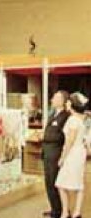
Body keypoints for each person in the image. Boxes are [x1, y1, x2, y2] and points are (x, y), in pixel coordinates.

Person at [56, 92, 89, 218]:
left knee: (60, 183)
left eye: (69, 101)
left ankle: (66, 212)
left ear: (73, 104)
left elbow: (70, 141)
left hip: (73, 153)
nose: (67, 103)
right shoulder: (82, 119)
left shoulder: (73, 119)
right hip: (80, 152)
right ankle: (76, 212)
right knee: (78, 183)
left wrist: (62, 158)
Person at [41, 90, 69, 218]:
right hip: (47, 151)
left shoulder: (65, 116)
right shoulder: (52, 114)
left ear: (62, 101)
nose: (52, 99)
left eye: (55, 97)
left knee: (54, 182)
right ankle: (54, 209)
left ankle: (61, 211)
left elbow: (64, 136)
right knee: (48, 182)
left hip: (55, 152)